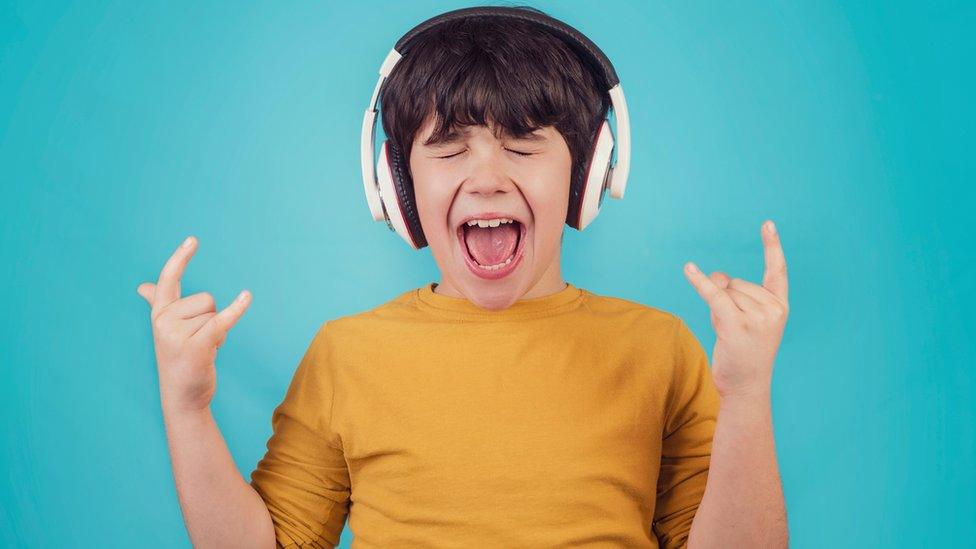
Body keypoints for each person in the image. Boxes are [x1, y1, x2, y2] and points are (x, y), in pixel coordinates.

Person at [136, 6, 789, 549]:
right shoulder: (346, 353)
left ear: (588, 175)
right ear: (397, 186)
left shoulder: (659, 348)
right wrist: (188, 408)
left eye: (524, 145)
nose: (486, 177)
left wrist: (748, 392)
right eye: (448, 148)